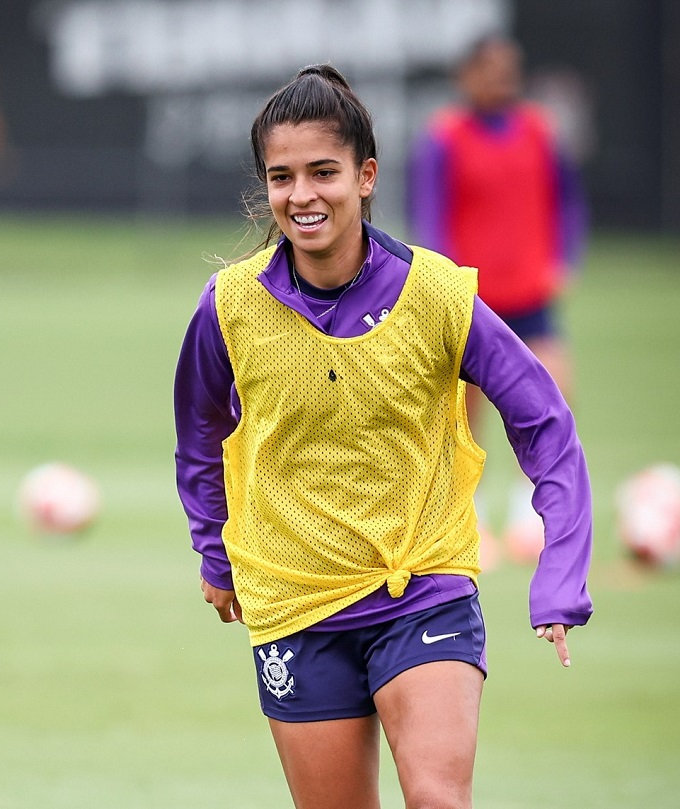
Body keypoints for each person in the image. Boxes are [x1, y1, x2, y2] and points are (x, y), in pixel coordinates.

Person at [173, 64, 592, 809]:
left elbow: (545, 421)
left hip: (421, 589)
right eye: (282, 176)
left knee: (437, 797)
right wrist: (216, 549)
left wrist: (560, 571)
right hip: (296, 601)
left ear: (365, 176)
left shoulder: (435, 294)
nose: (301, 195)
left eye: (323, 172)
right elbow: (201, 435)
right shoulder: (230, 306)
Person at [406, 35, 588, 559]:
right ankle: (472, 518)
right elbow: (430, 217)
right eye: (489, 70)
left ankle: (536, 515)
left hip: (532, 296)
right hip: (474, 298)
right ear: (466, 76)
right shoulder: (443, 138)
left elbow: (568, 201)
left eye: (509, 70)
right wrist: (445, 279)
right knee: (466, 410)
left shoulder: (539, 131)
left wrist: (564, 259)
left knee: (552, 394)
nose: (500, 81)